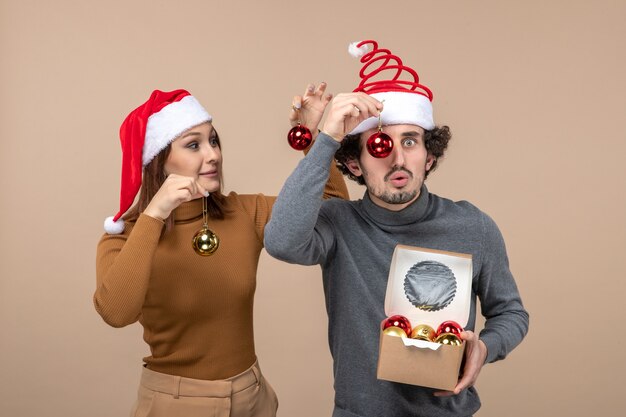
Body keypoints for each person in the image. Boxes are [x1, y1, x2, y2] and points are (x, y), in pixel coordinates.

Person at [264, 40, 529, 417]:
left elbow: (511, 313)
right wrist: (326, 140)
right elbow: (281, 242)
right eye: (379, 145)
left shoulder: (473, 225)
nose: (398, 157)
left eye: (411, 141)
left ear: (430, 156)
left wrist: (486, 346)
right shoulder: (339, 224)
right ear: (354, 165)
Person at [94, 85, 346, 417]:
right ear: (159, 160)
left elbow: (334, 214)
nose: (213, 154)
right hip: (177, 404)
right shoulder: (125, 236)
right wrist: (154, 215)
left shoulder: (242, 212)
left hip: (253, 397)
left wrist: (312, 139)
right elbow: (116, 312)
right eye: (193, 145)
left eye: (213, 141)